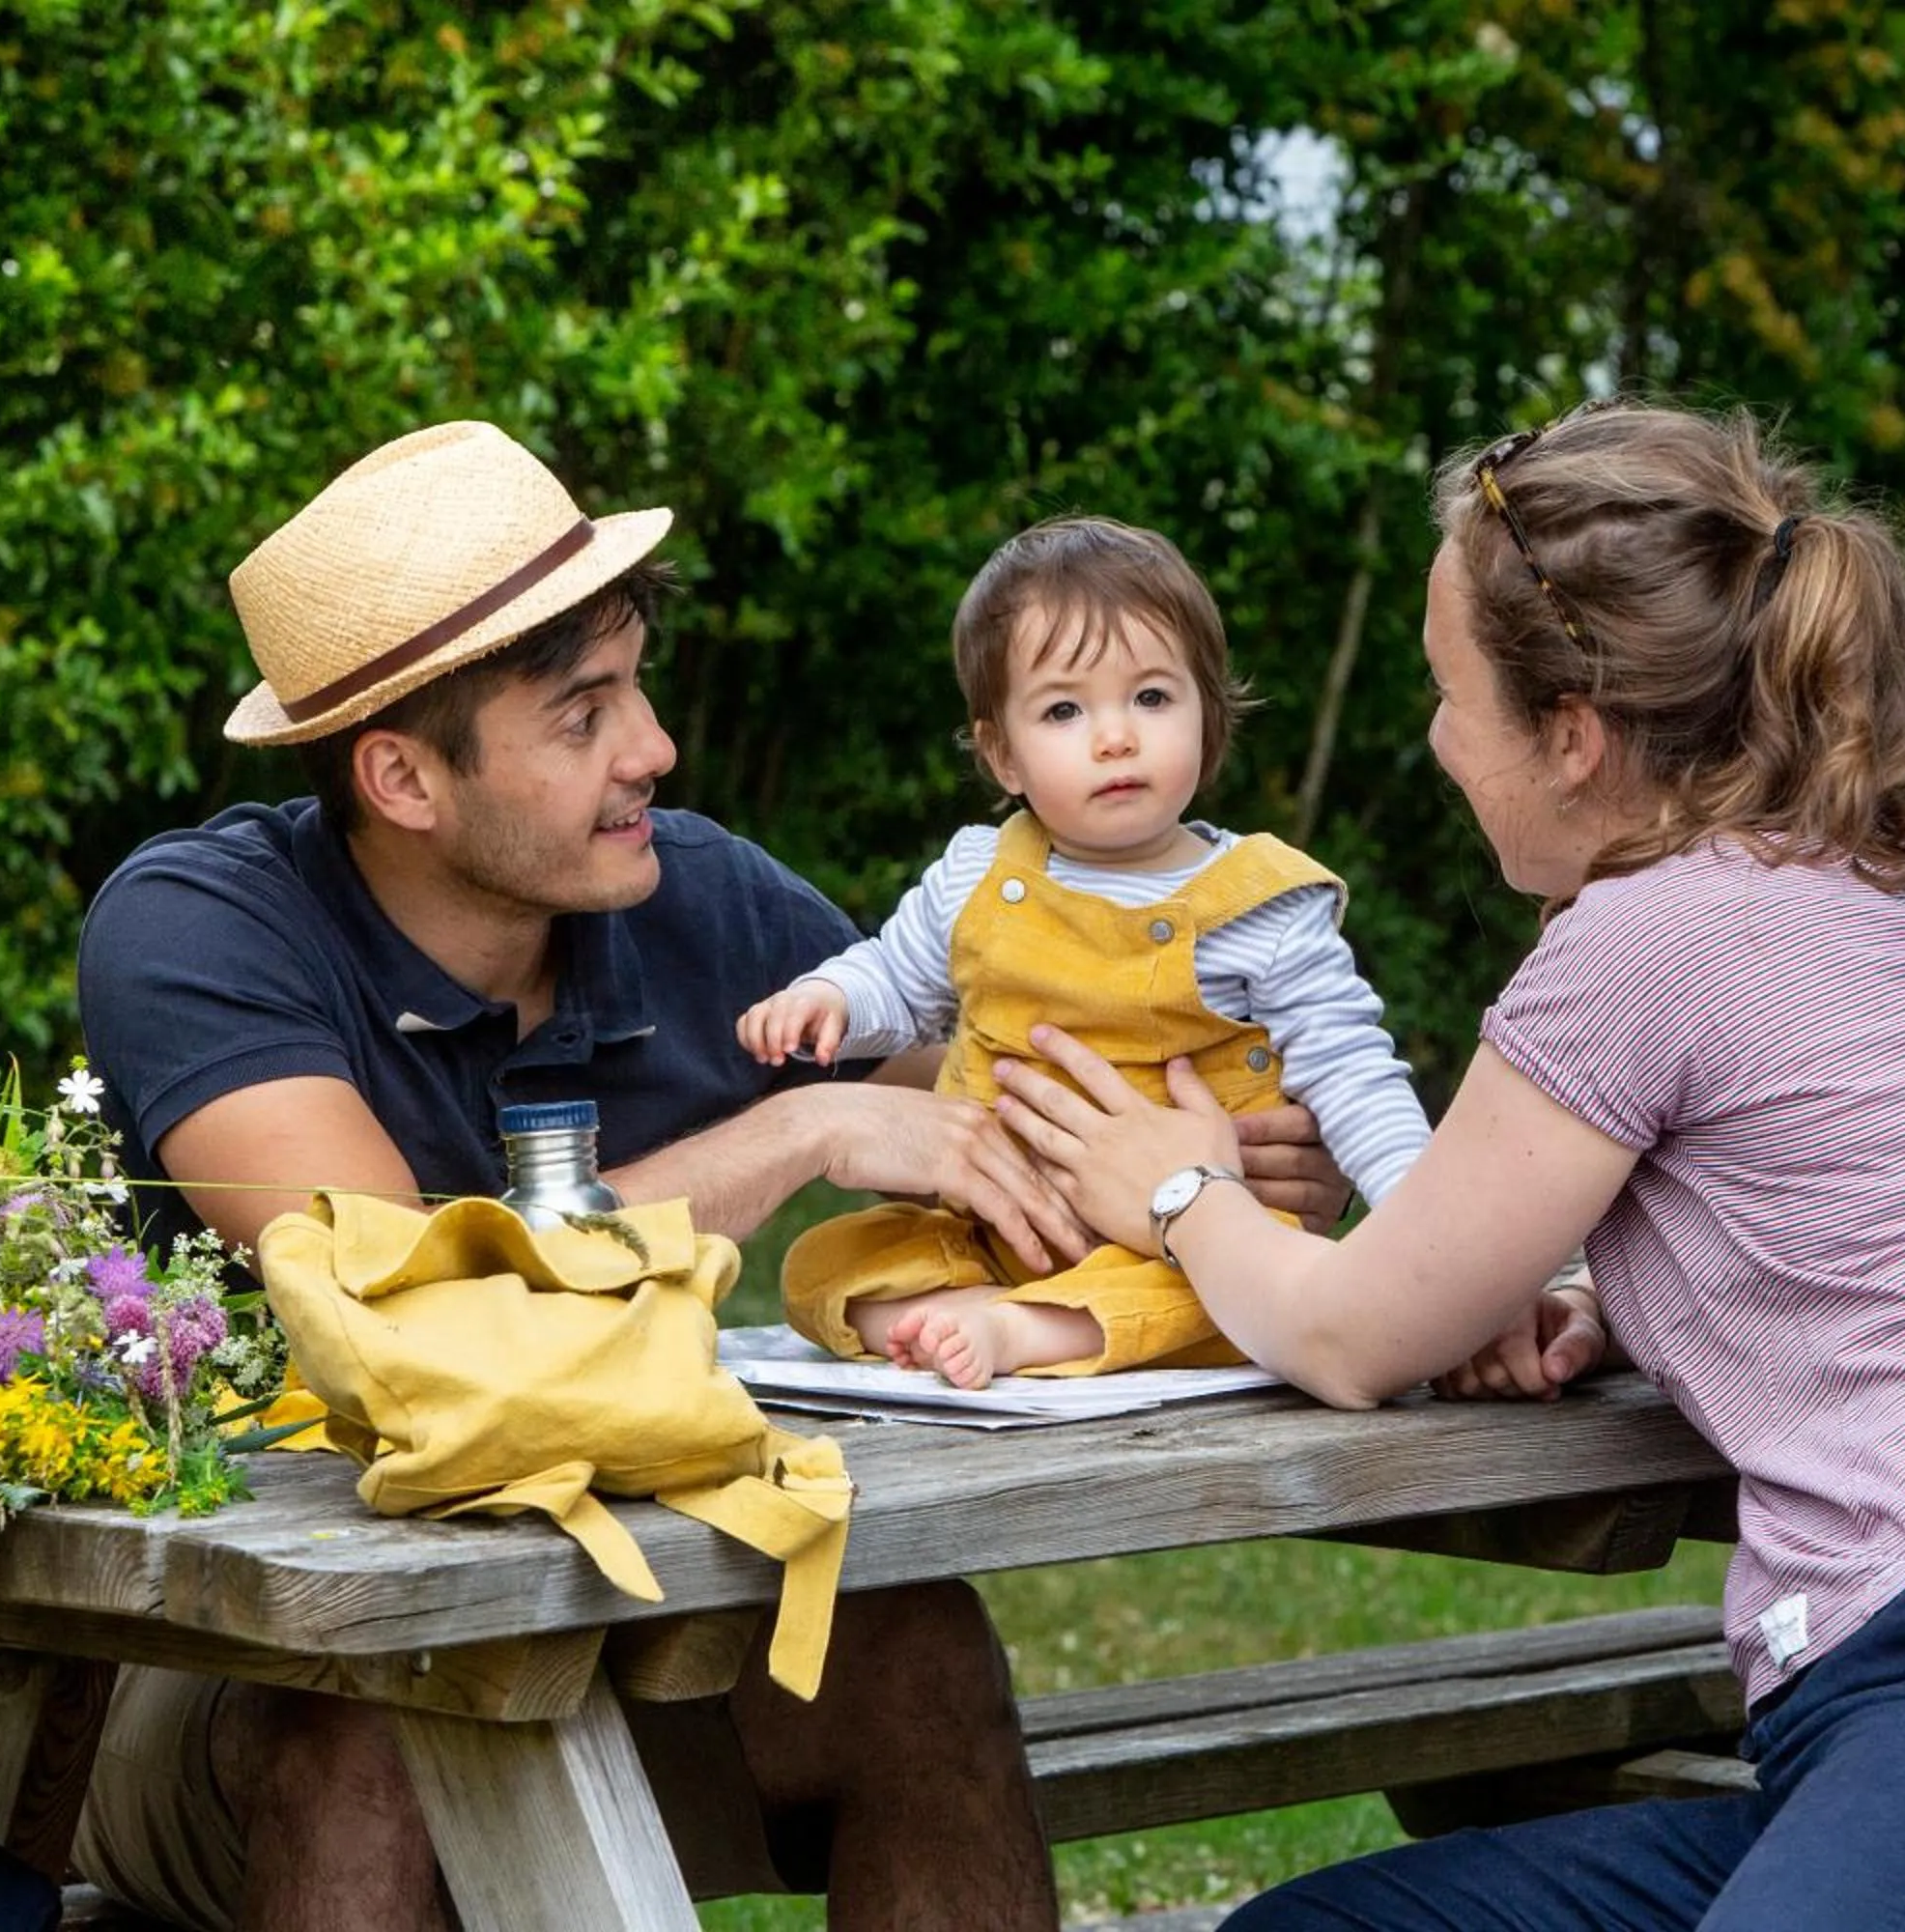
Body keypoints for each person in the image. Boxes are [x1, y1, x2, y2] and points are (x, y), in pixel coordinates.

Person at [986, 402, 1905, 1929]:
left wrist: (1176, 1191)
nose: (1434, 739)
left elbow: (1353, 1334)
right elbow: (1887, 1205)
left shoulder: (1648, 937)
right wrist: (1620, 1299)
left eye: (1448, 695)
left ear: (1571, 736)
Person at [71, 420, 1352, 1931]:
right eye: (584, 715)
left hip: (631, 1644)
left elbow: (1009, 1133)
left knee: (914, 1651)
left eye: (639, 686)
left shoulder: (700, 892)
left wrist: (1212, 1177)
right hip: (243, 1680)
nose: (654, 750)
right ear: (403, 777)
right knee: (380, 1734)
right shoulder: (200, 928)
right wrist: (800, 1133)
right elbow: (403, 1297)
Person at [737, 515, 1432, 1388]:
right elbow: (896, 976)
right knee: (821, 1264)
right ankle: (987, 1312)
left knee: (1235, 1299)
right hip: (999, 1234)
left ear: (1208, 717)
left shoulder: (1257, 904)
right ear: (1004, 755)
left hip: (1184, 1243)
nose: (1115, 737)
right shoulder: (979, 873)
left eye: (1151, 697)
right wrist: (831, 998)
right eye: (1065, 709)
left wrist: (1421, 1235)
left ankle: (1029, 1335)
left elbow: (1356, 1077)